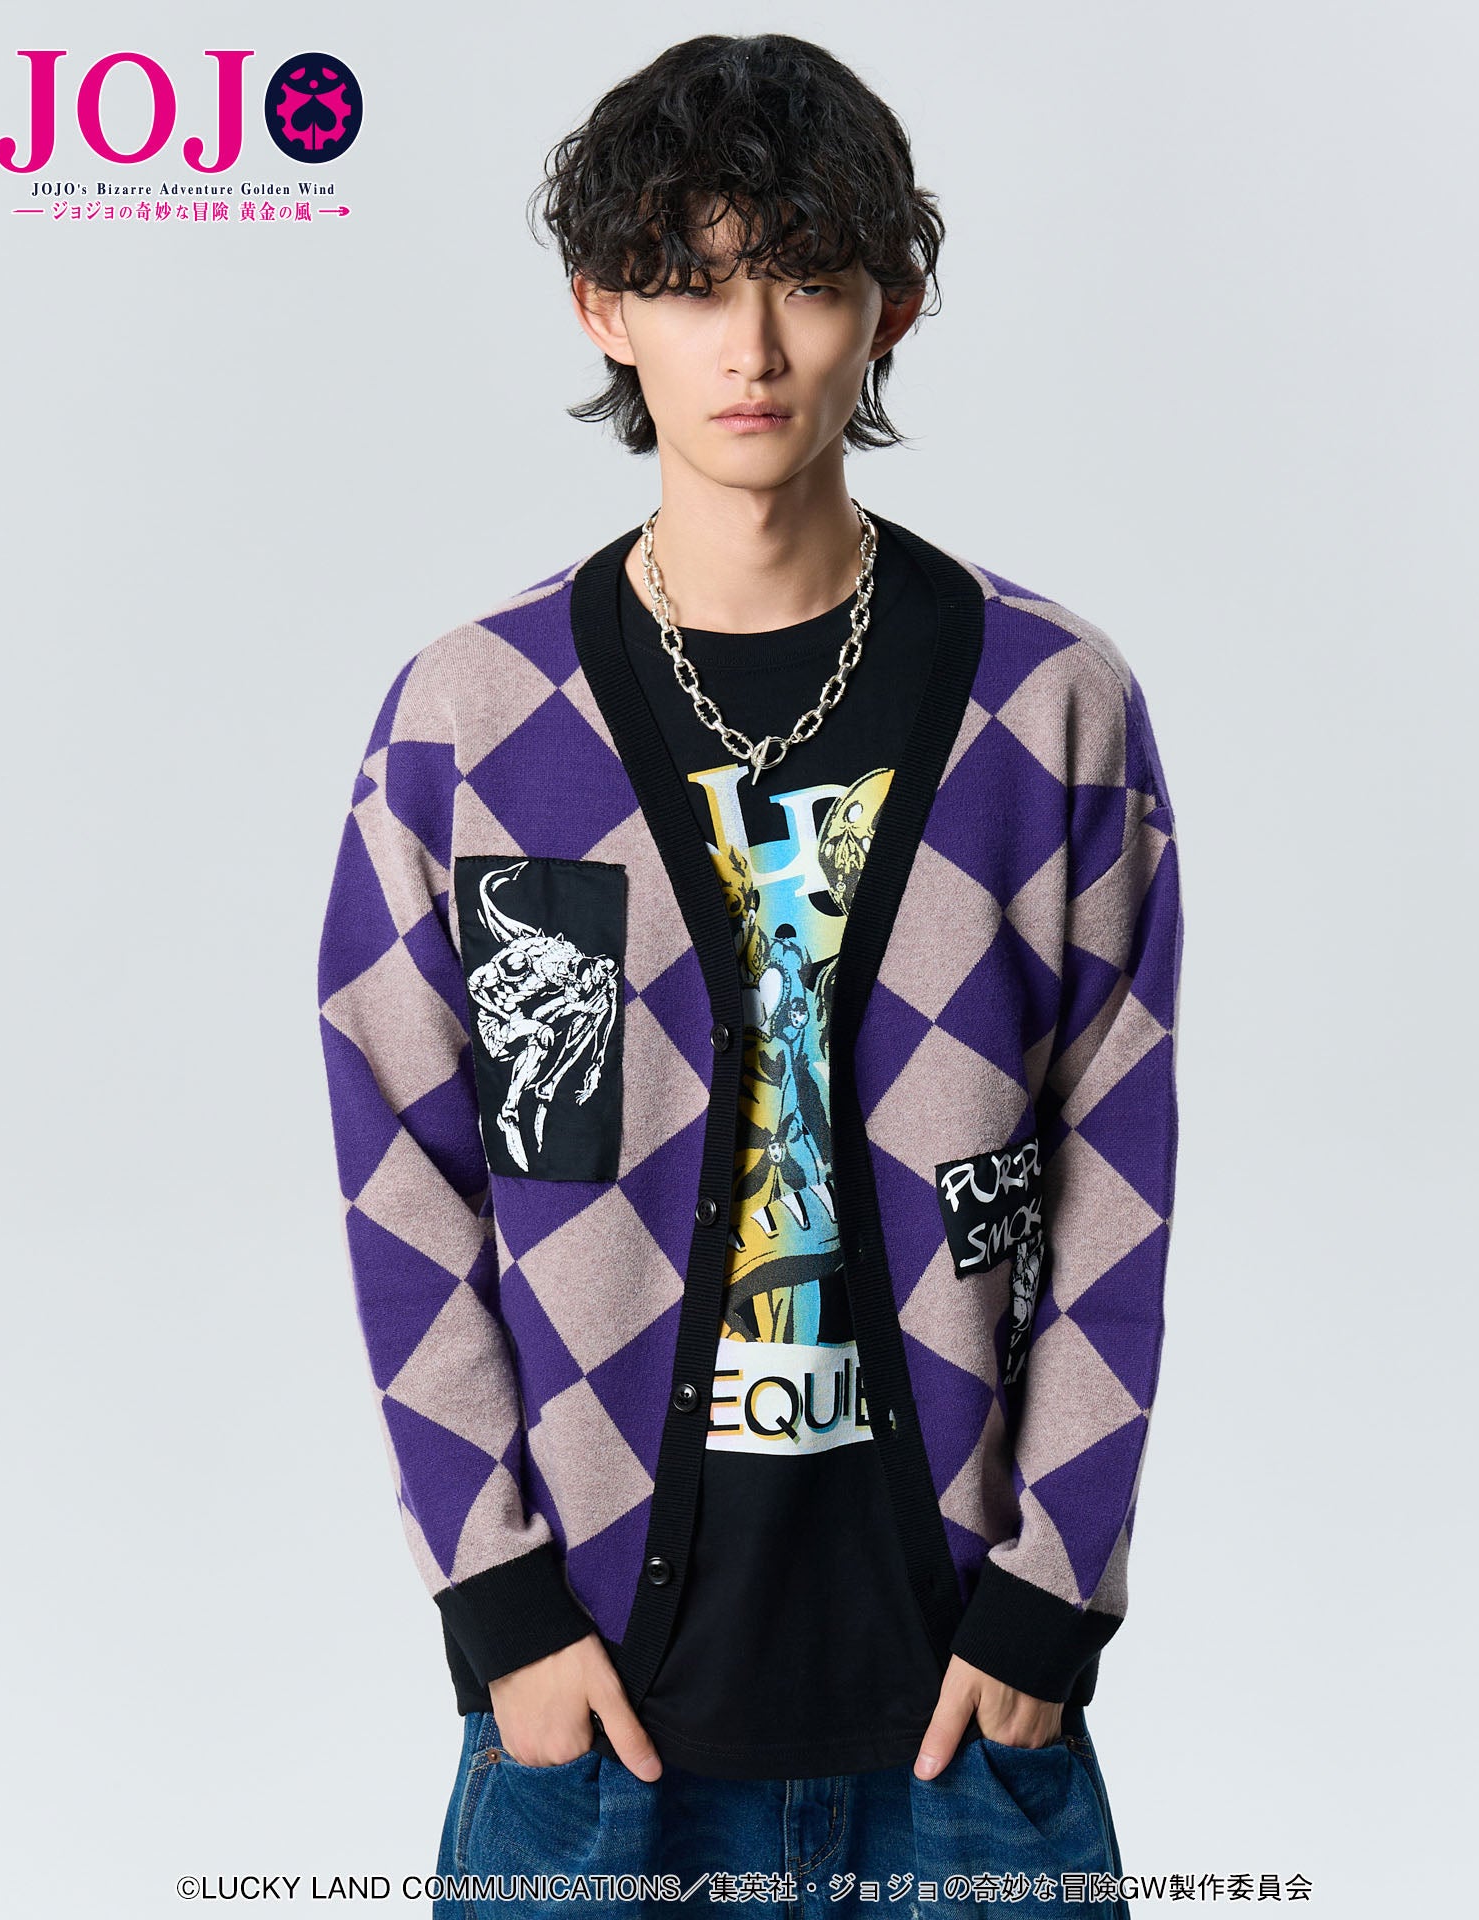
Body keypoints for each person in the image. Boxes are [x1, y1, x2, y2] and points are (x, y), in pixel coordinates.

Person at [316, 32, 1183, 1920]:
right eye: (696, 283)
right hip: (592, 1714)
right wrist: (499, 1600)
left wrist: (1054, 1593)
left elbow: (1117, 1160)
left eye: (805, 278)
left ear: (895, 308)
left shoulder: (1045, 703)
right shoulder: (479, 718)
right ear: (605, 310)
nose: (755, 348)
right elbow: (405, 1163)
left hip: (964, 1700)